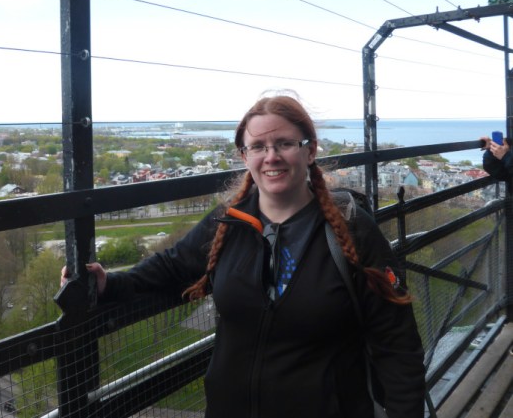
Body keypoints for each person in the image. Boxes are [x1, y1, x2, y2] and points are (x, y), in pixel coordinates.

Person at [61, 93, 426, 418]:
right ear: (244, 155)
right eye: (259, 146)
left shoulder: (353, 229)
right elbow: (172, 266)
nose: (272, 157)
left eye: (285, 143)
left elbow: (397, 342)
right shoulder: (229, 222)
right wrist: (108, 284)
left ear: (310, 150)